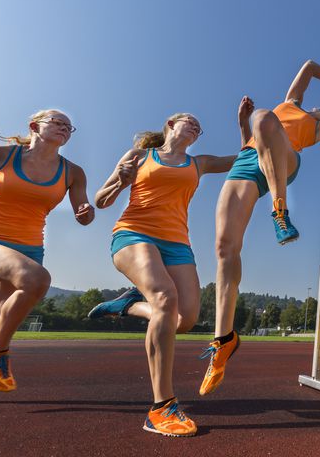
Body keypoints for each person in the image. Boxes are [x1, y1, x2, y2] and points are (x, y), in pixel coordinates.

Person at [200, 60, 320, 396]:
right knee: (225, 248)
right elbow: (310, 66)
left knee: (265, 118)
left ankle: (280, 212)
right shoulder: (292, 102)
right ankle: (223, 340)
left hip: (286, 162)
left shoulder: (318, 131)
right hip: (248, 161)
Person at [91, 110, 245, 436]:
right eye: (189, 121)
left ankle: (129, 305)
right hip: (134, 234)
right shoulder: (141, 155)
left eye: (199, 127)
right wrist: (121, 180)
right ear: (170, 126)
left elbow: (245, 156)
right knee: (164, 297)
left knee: (184, 319)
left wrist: (249, 126)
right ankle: (161, 407)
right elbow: (101, 200)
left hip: (177, 244)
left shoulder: (198, 163)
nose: (196, 126)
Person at [0, 109, 94, 392]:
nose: (64, 128)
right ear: (35, 126)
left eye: (69, 127)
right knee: (38, 279)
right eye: (57, 123)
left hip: (30, 248)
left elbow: (83, 214)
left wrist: (85, 213)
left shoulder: (73, 172)